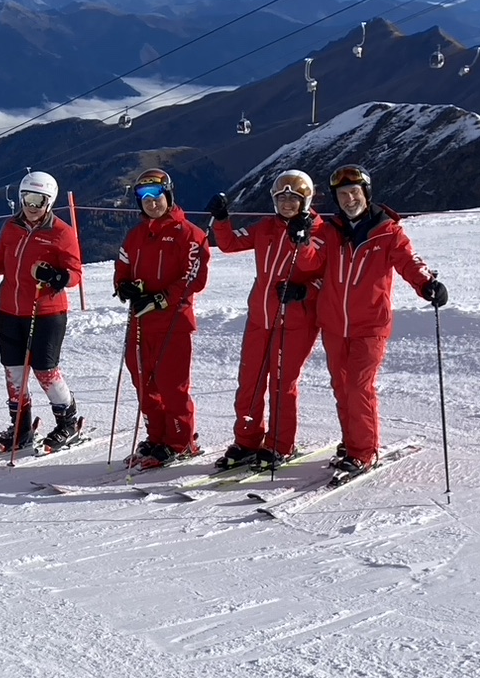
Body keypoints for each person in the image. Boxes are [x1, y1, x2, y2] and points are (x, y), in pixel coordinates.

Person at [296, 164, 448, 477]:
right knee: (341, 386)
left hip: (370, 325)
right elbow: (312, 263)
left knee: (358, 386)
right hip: (335, 325)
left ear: (366, 194)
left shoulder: (387, 232)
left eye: (354, 192)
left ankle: (364, 452)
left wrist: (426, 284)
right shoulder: (329, 231)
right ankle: (351, 442)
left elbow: (409, 261)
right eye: (342, 194)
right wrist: (301, 242)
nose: (349, 199)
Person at [205, 170, 323, 469]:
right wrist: (221, 220)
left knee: (283, 384)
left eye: (294, 198)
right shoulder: (266, 228)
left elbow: (324, 272)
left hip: (295, 320)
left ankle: (280, 445)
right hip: (261, 317)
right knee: (250, 381)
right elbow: (230, 243)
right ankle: (246, 441)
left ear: (305, 200)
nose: (287, 204)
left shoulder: (319, 230)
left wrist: (303, 289)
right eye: (281, 198)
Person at [0, 170, 84, 452]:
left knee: (45, 370)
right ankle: (21, 426)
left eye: (37, 200)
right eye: (26, 199)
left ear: (49, 201)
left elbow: (75, 274)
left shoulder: (61, 233)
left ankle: (67, 422)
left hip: (46, 312)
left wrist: (57, 276)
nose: (31, 207)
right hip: (9, 309)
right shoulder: (11, 227)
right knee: (14, 370)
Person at [113, 168, 210, 467]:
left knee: (172, 385)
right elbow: (122, 267)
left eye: (157, 196)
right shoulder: (137, 235)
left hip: (173, 322)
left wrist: (160, 299)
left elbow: (193, 278)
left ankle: (180, 441)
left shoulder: (190, 234)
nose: (151, 202)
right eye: (144, 197)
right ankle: (157, 437)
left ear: (168, 195)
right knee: (143, 382)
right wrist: (123, 286)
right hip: (141, 321)